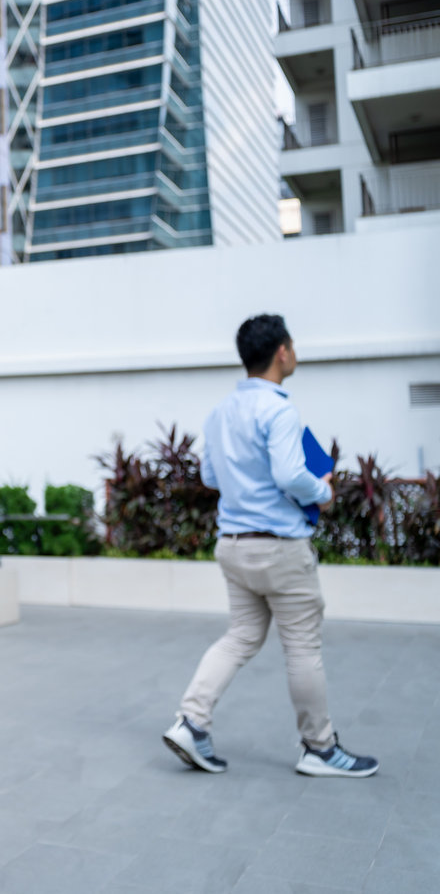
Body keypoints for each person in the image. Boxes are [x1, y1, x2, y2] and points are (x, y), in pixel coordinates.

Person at [162, 314, 377, 778]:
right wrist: (321, 489)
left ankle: (191, 721)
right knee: (302, 646)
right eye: (293, 346)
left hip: (234, 546)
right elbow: (287, 475)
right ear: (282, 351)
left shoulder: (219, 413)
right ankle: (319, 749)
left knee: (240, 635)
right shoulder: (279, 409)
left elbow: (210, 477)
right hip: (280, 548)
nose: (294, 352)